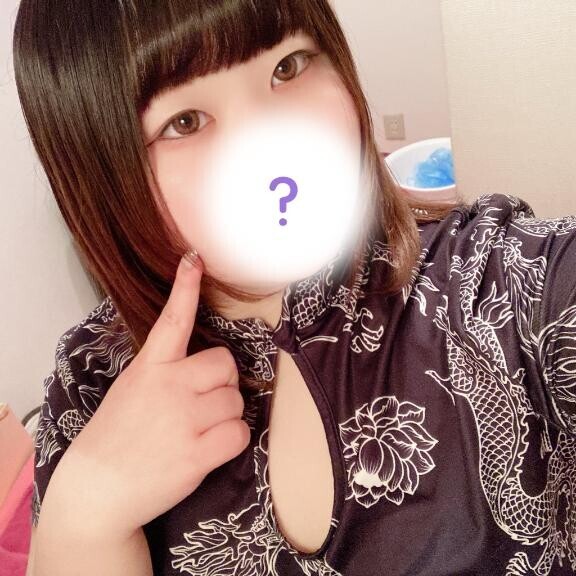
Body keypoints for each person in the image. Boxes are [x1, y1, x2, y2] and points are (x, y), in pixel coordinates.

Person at [12, 1, 576, 575]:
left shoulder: (498, 276)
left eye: (288, 66)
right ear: (105, 177)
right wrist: (86, 516)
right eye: (185, 121)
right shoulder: (90, 382)